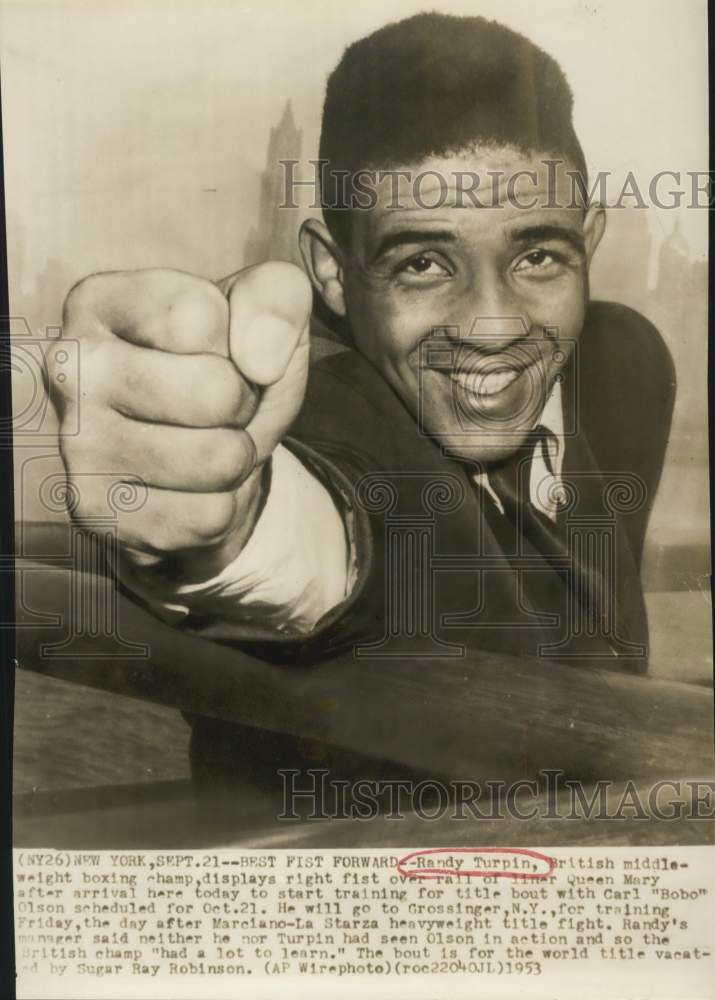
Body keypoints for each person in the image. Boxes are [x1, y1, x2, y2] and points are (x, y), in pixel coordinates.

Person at [46, 13, 675, 786]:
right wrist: (228, 519)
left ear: (590, 243)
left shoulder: (625, 362)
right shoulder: (323, 404)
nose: (493, 326)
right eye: (421, 264)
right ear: (333, 274)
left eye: (538, 255)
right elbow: (325, 513)